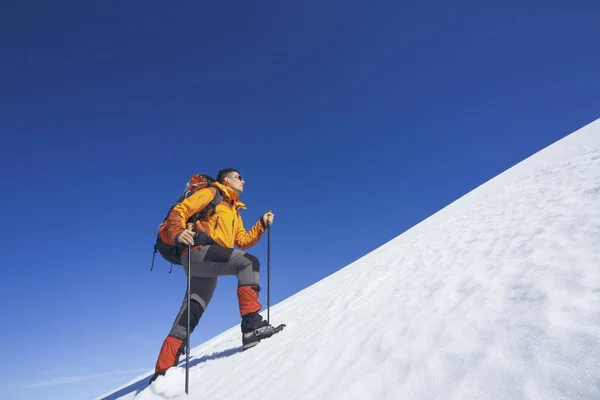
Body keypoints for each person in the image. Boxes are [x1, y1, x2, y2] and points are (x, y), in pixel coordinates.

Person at [150, 168, 278, 382]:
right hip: (198, 252)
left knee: (190, 312)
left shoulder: (234, 211)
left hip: (209, 262)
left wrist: (261, 224)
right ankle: (251, 326)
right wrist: (179, 232)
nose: (243, 180)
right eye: (239, 177)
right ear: (226, 180)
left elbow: (243, 241)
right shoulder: (212, 193)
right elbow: (179, 211)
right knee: (249, 263)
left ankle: (162, 371)